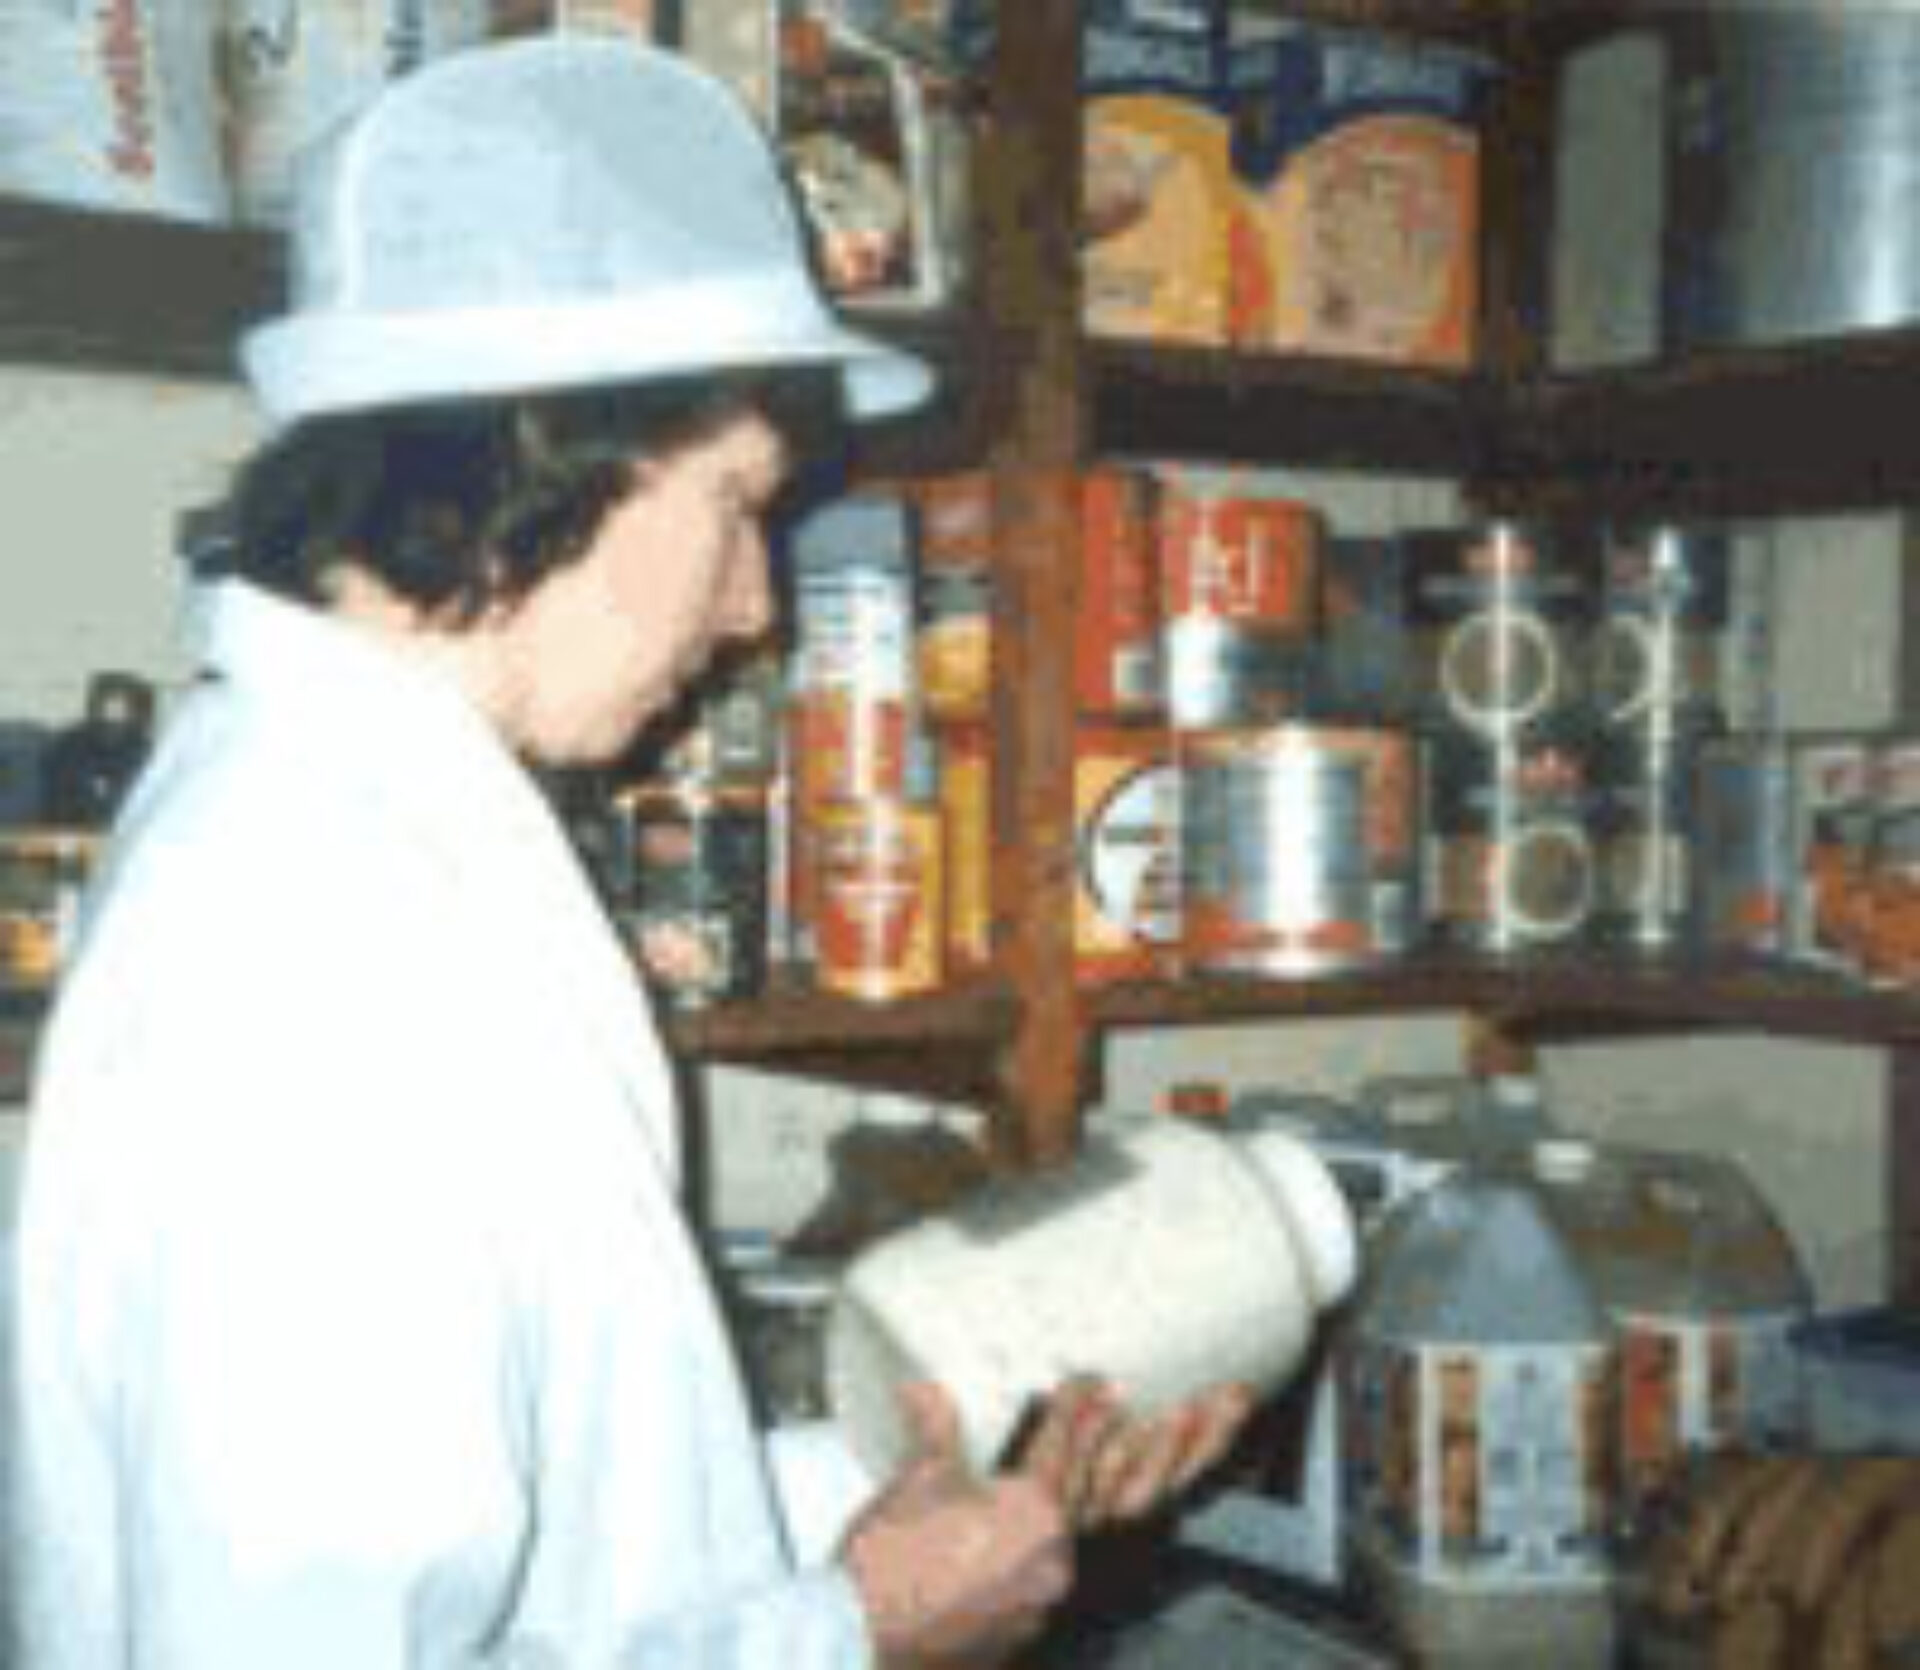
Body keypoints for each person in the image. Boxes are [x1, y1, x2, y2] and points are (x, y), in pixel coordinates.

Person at [5, 36, 1252, 1670]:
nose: (756, 606)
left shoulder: (373, 823)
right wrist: (861, 1633)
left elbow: (576, 1538)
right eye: (736, 504)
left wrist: (911, 1496)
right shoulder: (316, 941)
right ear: (550, 452)